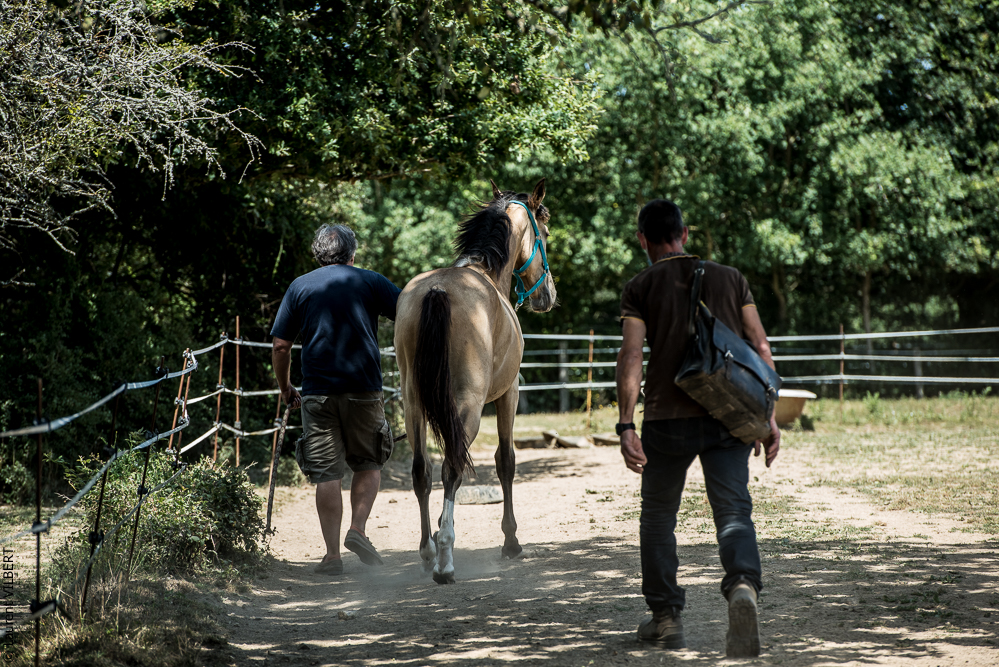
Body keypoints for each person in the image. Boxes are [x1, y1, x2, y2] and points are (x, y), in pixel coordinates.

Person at [615, 199, 780, 657]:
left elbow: (631, 356)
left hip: (666, 420)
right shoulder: (732, 278)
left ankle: (666, 619)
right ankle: (743, 586)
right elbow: (760, 347)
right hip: (729, 413)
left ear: (642, 240)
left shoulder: (640, 285)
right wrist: (767, 417)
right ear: (685, 234)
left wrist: (627, 424)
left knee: (658, 517)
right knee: (732, 511)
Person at [271, 223, 402, 576]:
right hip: (364, 388)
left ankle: (331, 556)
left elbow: (281, 346)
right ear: (352, 253)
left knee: (327, 473)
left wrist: (285, 387)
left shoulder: (299, 286)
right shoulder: (371, 281)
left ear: (317, 254)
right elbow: (407, 312)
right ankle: (357, 530)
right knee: (369, 462)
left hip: (317, 394)